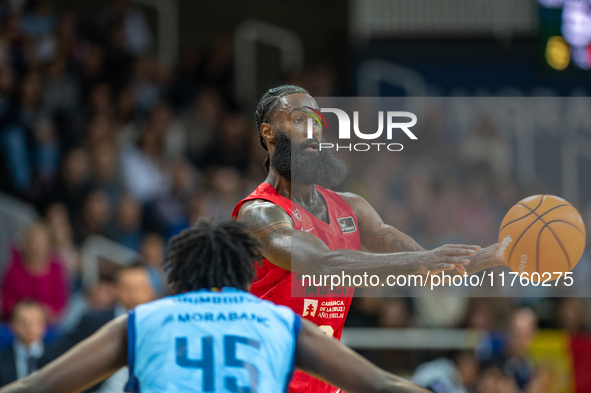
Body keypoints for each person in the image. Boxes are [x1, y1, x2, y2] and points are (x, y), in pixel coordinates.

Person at [232, 85, 505, 392]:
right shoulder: (258, 213)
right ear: (268, 133)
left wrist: (498, 254)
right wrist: (420, 260)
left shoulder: (352, 209)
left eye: (317, 121)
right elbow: (320, 262)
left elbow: (433, 270)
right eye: (298, 121)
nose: (312, 131)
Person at [0, 220, 429, 393]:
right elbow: (379, 386)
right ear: (246, 273)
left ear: (180, 273)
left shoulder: (143, 320)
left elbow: (39, 388)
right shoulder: (280, 322)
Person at [0, 302, 48, 387]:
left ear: (43, 325)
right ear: (11, 324)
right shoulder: (2, 359)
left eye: (34, 321)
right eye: (22, 321)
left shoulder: (56, 357)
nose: (28, 326)